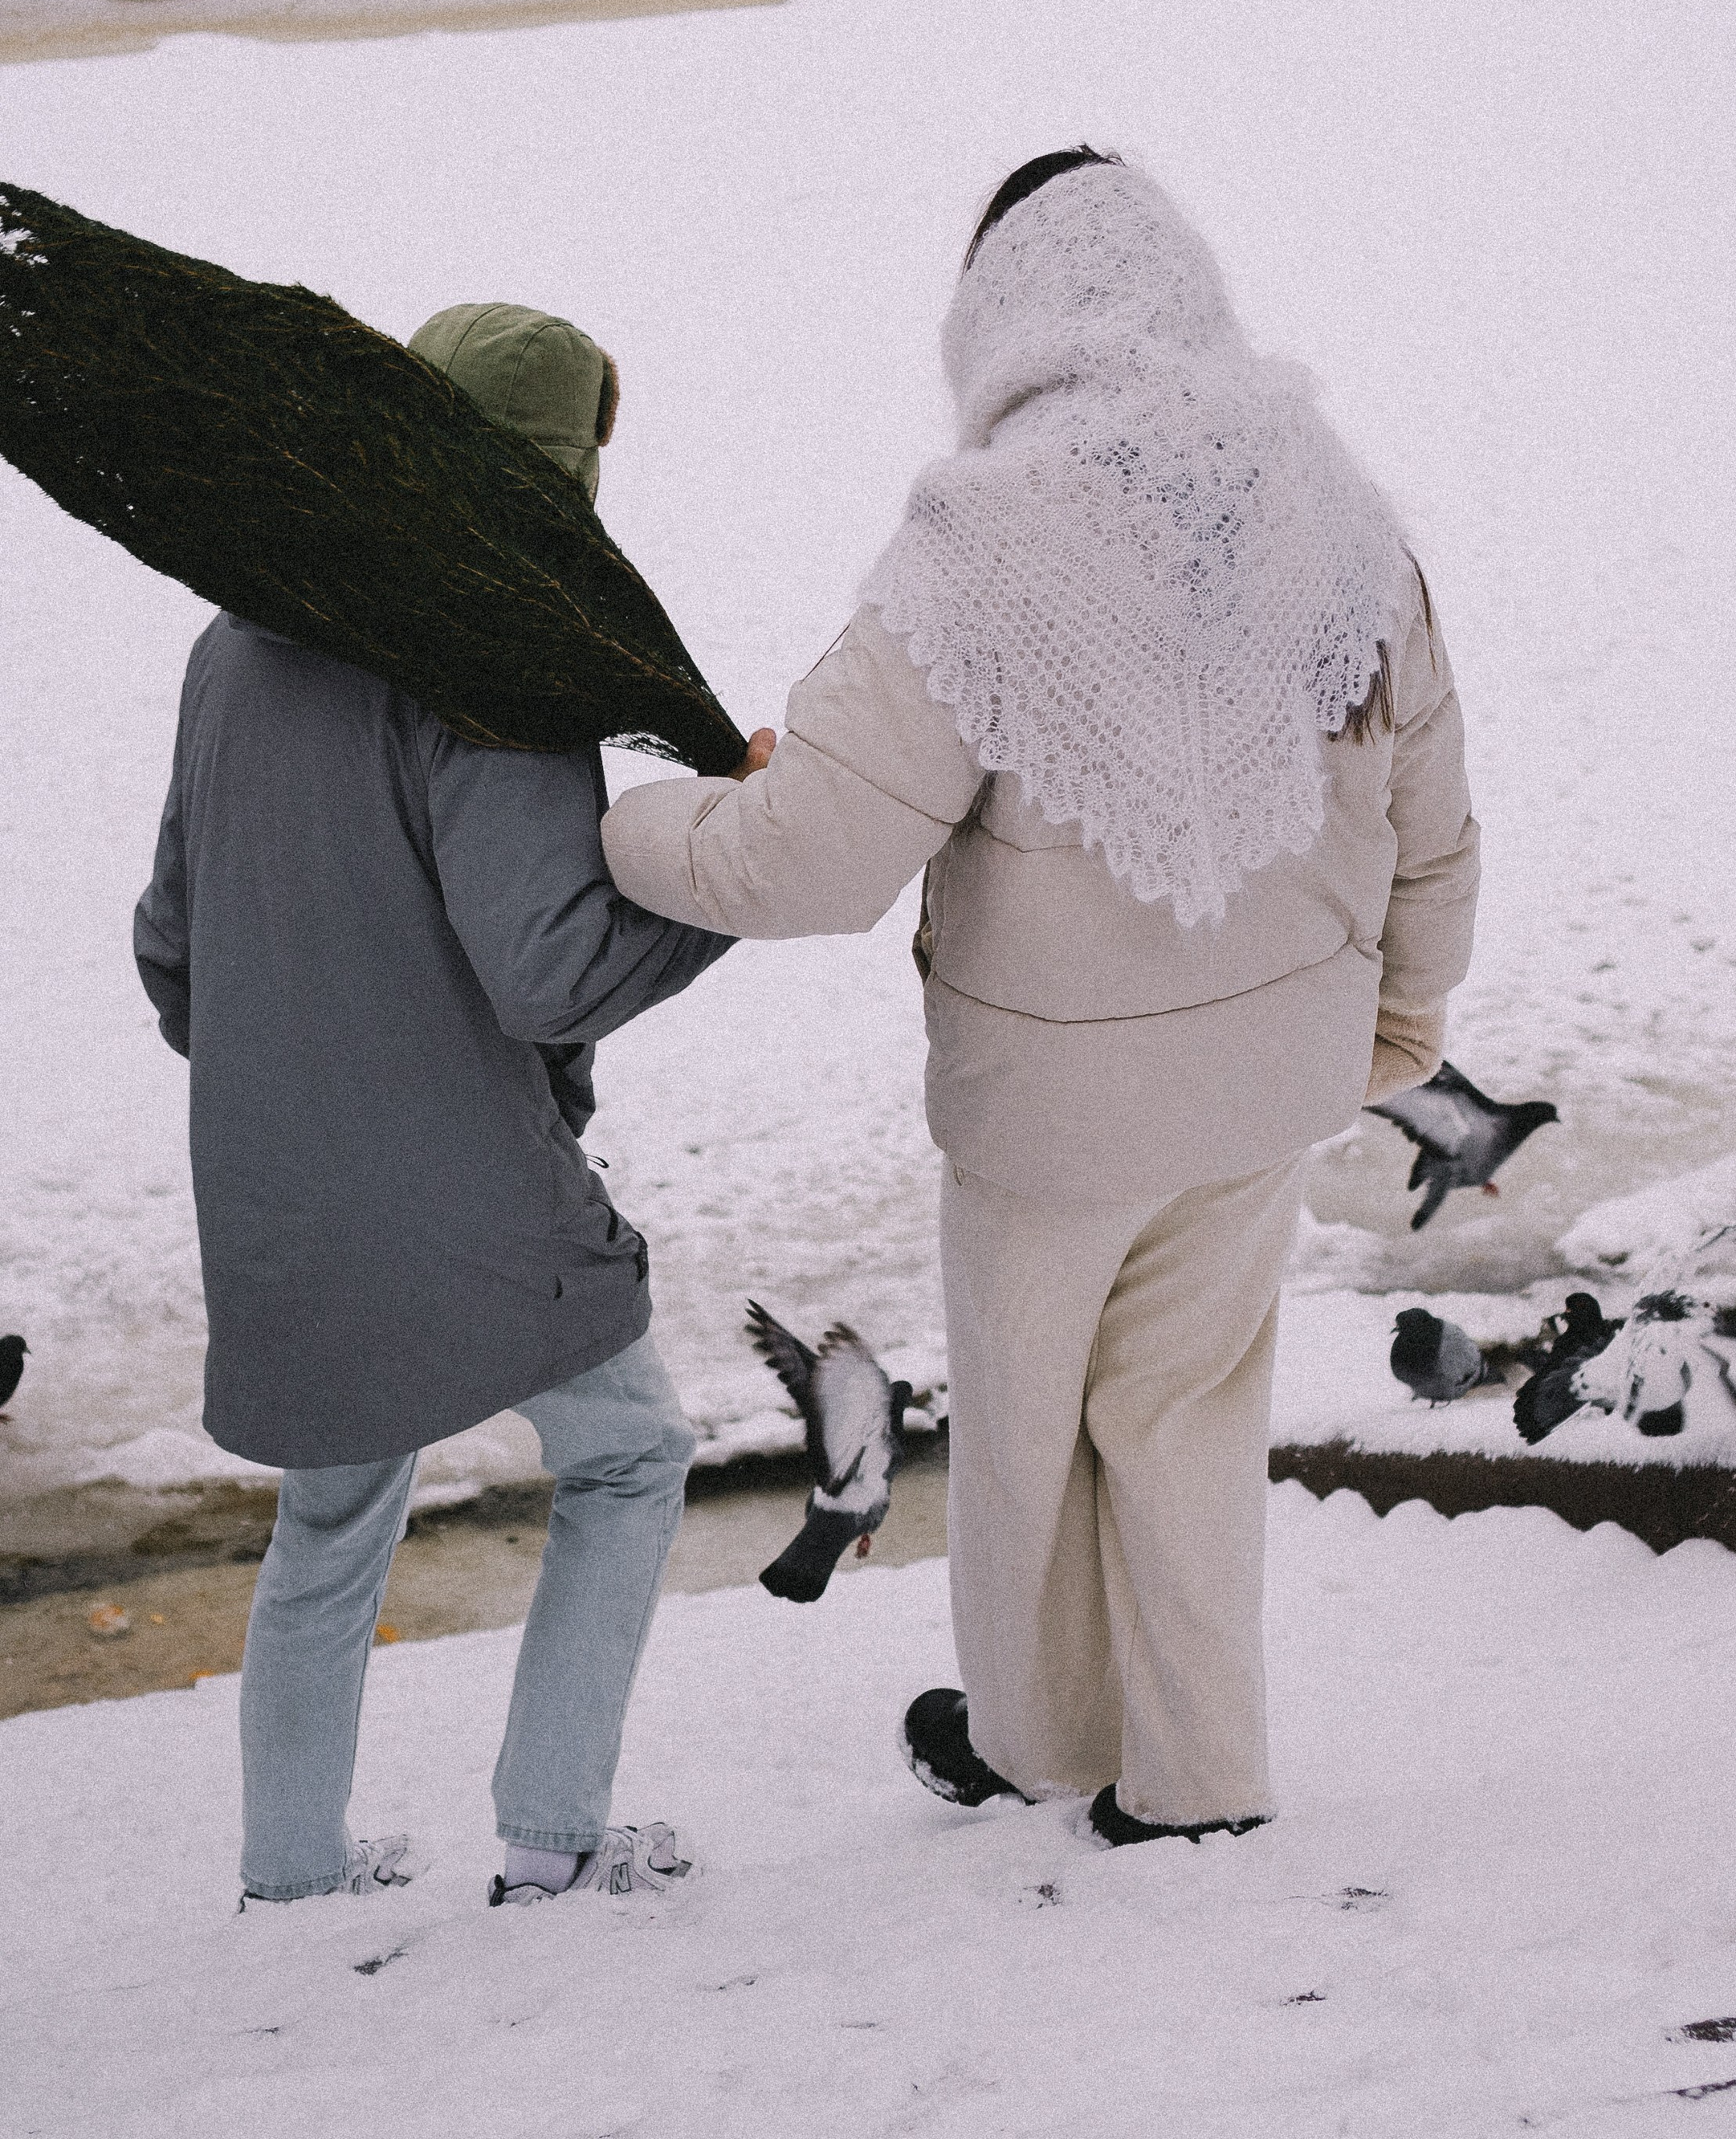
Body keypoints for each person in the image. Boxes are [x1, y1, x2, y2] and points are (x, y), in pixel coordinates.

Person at [602, 153, 1480, 1845]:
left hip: (1051, 1116)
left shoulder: (975, 539)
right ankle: (1198, 1778)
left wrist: (623, 821)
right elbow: (1430, 809)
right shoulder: (1333, 500)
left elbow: (802, 865)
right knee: (1186, 1416)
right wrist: (1403, 1020)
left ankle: (1035, 1740)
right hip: (1269, 1081)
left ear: (996, 315)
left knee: (1025, 1438)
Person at [134, 304, 735, 1911]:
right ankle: (552, 1837)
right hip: (473, 1189)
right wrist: (718, 881)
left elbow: (171, 950)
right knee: (627, 1455)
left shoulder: (238, 639)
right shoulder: (490, 658)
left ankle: (292, 1873)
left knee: (331, 1516)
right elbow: (549, 974)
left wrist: (307, 1071)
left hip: (274, 1187)